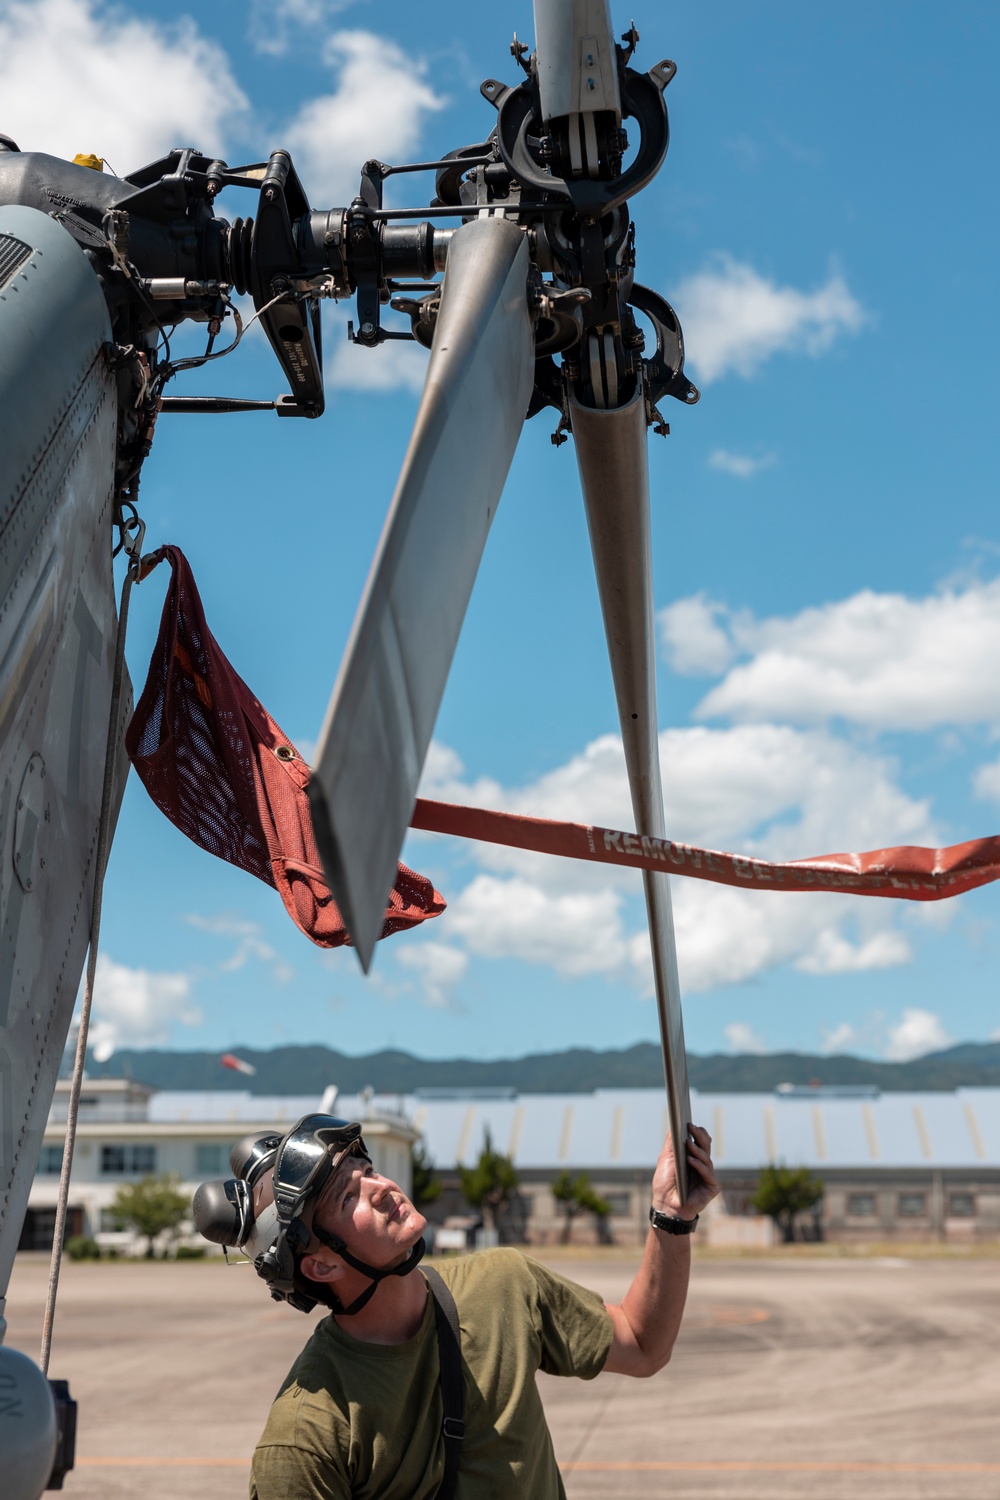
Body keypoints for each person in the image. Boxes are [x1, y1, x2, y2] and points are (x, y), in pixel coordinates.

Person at [243, 1117, 719, 1499]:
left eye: (367, 1170)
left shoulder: (503, 1284)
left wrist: (671, 1217)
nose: (381, 1187)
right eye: (349, 1197)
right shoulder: (303, 1437)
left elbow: (642, 1344)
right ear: (321, 1266)